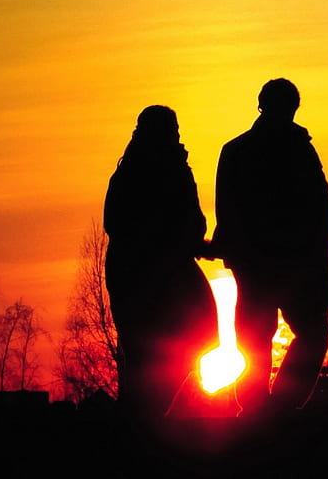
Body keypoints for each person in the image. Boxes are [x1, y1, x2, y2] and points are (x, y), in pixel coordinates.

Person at [212, 79, 328, 415]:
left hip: (267, 262)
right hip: (292, 262)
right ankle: (272, 407)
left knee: (260, 334)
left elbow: (226, 209)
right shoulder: (298, 150)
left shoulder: (238, 150)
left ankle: (260, 407)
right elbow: (318, 209)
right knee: (302, 332)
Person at [103, 105, 216, 422]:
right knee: (178, 340)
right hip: (156, 273)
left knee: (149, 349)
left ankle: (148, 415)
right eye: (174, 130)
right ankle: (148, 418)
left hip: (134, 271)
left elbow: (114, 221)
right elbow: (193, 222)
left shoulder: (128, 171)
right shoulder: (172, 169)